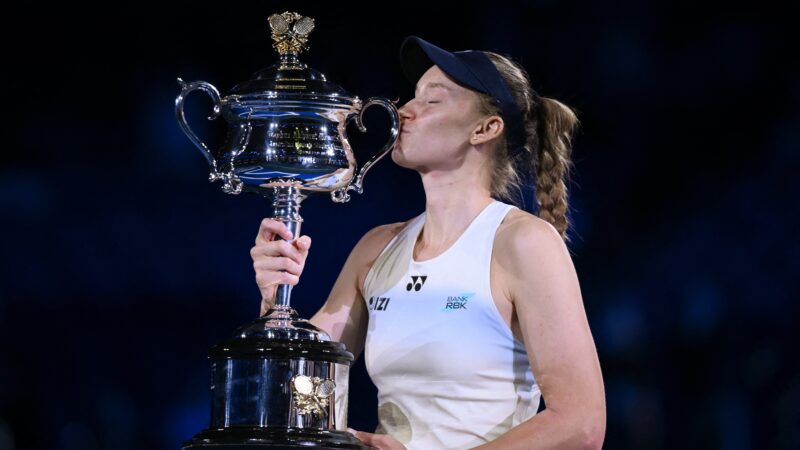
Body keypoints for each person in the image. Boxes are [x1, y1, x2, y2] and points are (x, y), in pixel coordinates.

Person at [251, 36, 606, 450]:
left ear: (484, 129)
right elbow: (304, 397)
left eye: (432, 101)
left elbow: (581, 423)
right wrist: (275, 304)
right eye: (411, 97)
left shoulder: (522, 242)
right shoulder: (376, 248)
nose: (404, 111)